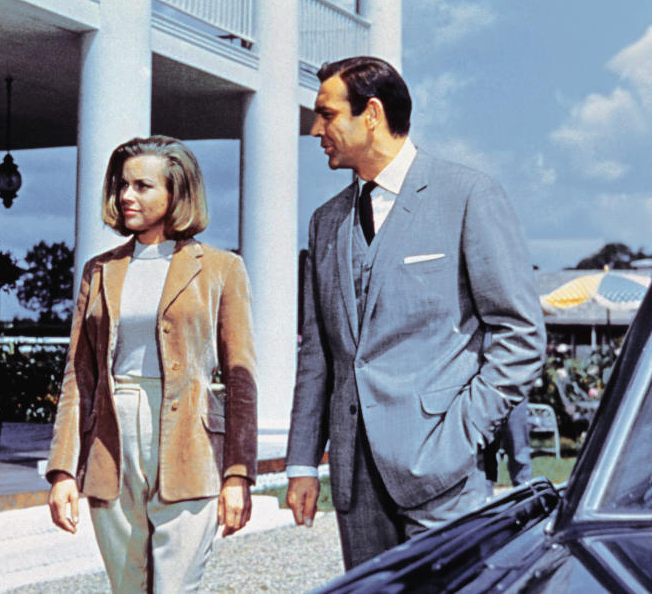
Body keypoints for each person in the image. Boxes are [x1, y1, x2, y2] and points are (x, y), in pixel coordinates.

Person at [285, 56, 545, 569]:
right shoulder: (325, 222)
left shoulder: (468, 196)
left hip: (445, 474)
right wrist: (300, 462)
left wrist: (463, 434)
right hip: (356, 484)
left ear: (372, 114)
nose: (316, 129)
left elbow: (519, 334)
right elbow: (319, 354)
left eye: (327, 114)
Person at [46, 135, 257, 593]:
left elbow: (241, 381)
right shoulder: (99, 270)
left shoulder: (222, 268)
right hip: (111, 440)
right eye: (122, 185)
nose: (126, 196)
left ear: (176, 192)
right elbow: (77, 377)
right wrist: (63, 469)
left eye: (142, 186)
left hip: (190, 446)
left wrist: (238, 473)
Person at [482, 398, 533, 495]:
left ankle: (525, 497)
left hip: (516, 396)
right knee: (486, 453)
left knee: (519, 453)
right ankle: (484, 500)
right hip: (487, 396)